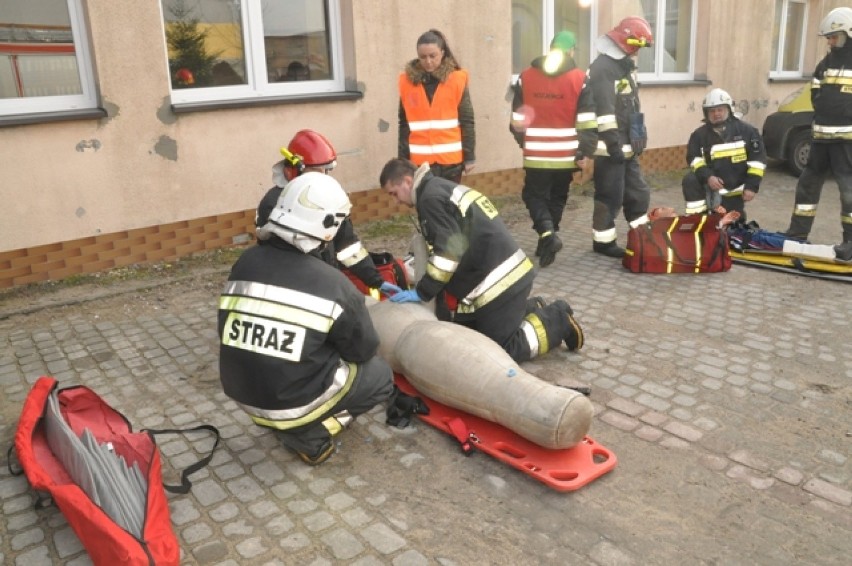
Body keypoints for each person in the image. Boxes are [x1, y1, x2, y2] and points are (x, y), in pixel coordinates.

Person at [219, 172, 394, 466]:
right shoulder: (335, 285)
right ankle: (310, 435)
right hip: (286, 404)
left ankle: (290, 422)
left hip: (241, 392)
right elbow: (362, 351)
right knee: (379, 376)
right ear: (328, 227)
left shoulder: (245, 262)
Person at [378, 158, 584, 364]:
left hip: (501, 282)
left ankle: (558, 320)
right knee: (469, 334)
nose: (396, 201)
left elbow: (448, 254)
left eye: (394, 194)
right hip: (497, 276)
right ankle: (529, 308)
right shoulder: (438, 188)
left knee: (500, 351)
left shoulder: (429, 199)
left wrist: (421, 292)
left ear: (407, 181)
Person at [256, 129, 402, 298]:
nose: (323, 178)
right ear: (294, 170)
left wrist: (376, 281)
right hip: (293, 291)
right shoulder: (274, 204)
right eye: (317, 171)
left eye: (326, 171)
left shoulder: (326, 198)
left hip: (325, 282)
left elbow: (347, 246)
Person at [510, 30, 598, 267]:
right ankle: (548, 238)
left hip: (536, 154)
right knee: (558, 196)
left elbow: (517, 121)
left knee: (533, 195)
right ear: (570, 51)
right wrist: (584, 152)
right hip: (567, 155)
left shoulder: (526, 77)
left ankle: (547, 235)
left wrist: (525, 143)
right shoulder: (580, 78)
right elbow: (588, 120)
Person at [784, 7, 852, 261]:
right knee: (808, 185)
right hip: (821, 138)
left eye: (834, 36)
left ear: (848, 32)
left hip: (847, 141)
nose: (831, 41)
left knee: (848, 191)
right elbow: (815, 93)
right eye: (829, 37)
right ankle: (798, 233)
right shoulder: (825, 64)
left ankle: (850, 240)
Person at [586, 16, 654, 258]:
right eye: (636, 46)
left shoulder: (625, 66)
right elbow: (604, 112)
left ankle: (642, 237)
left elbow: (632, 105)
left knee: (638, 192)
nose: (637, 52)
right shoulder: (603, 68)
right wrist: (614, 144)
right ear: (626, 42)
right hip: (610, 148)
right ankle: (603, 242)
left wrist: (639, 131)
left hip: (627, 146)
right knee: (610, 196)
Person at [398, 29, 475, 184]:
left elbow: (467, 121)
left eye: (433, 56)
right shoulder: (407, 83)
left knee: (450, 205)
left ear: (442, 52)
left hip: (451, 163)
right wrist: (403, 161)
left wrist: (470, 157)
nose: (428, 61)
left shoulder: (457, 79)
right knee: (426, 205)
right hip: (420, 164)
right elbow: (404, 124)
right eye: (423, 57)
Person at [682, 88, 766, 219]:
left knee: (733, 230)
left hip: (735, 193)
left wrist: (751, 186)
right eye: (712, 111)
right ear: (706, 113)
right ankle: (696, 220)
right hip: (709, 190)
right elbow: (693, 159)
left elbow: (757, 162)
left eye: (720, 109)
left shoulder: (748, 132)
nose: (716, 114)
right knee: (690, 179)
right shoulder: (699, 135)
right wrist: (708, 177)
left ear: (729, 109)